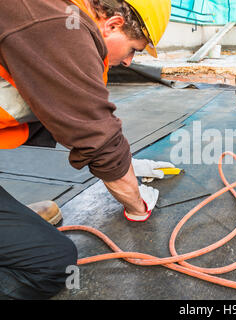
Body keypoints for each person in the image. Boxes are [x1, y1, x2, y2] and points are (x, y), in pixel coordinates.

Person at [0, 0, 173, 299]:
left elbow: (80, 114)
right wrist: (137, 203)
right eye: (134, 49)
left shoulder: (55, 14)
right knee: (51, 262)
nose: (131, 61)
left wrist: (127, 163)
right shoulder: (63, 28)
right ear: (114, 24)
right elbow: (97, 138)